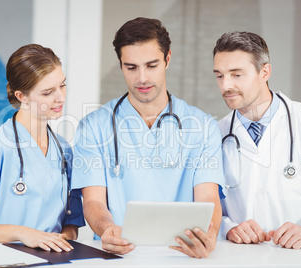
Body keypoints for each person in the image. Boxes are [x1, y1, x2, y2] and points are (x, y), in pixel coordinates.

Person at [72, 17, 224, 258]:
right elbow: (93, 202)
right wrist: (107, 229)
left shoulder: (203, 127)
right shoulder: (93, 127)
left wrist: (209, 236)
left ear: (168, 59)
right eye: (131, 67)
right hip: (119, 256)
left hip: (182, 256)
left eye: (151, 65)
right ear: (120, 65)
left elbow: (208, 197)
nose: (141, 78)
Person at [0, 44, 85, 252]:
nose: (60, 98)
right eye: (48, 92)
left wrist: (58, 239)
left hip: (54, 259)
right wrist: (24, 233)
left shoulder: (63, 148)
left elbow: (71, 223)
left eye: (62, 85)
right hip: (5, 258)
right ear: (22, 96)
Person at [213, 31, 301, 249]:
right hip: (239, 258)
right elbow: (206, 205)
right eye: (219, 76)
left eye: (236, 74)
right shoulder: (215, 134)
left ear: (265, 72)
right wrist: (228, 227)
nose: (225, 86)